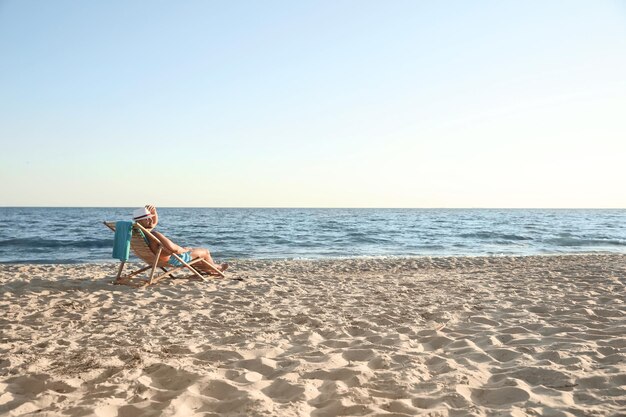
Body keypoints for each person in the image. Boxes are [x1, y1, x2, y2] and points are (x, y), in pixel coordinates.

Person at [132, 205, 228, 275]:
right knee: (205, 252)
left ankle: (209, 270)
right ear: (139, 221)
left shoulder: (139, 232)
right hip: (173, 260)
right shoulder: (154, 234)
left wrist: (154, 213)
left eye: (150, 218)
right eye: (147, 219)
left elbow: (152, 224)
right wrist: (185, 250)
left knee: (195, 256)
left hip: (157, 259)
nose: (151, 221)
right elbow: (175, 250)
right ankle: (218, 269)